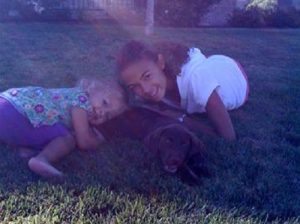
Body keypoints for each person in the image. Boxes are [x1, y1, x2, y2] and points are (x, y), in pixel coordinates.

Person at [117, 40, 249, 140]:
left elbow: (227, 137)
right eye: (134, 86)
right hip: (214, 64)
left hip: (235, 77)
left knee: (201, 74)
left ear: (160, 63)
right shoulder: (157, 86)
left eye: (147, 76)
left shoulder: (195, 79)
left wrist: (180, 119)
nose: (144, 89)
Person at [0, 78, 128, 179]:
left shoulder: (69, 96)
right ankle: (41, 159)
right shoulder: (81, 100)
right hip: (17, 113)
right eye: (104, 103)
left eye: (107, 115)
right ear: (91, 89)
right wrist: (99, 139)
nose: (101, 113)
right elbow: (83, 141)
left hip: (6, 104)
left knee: (56, 131)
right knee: (68, 138)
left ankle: (26, 149)